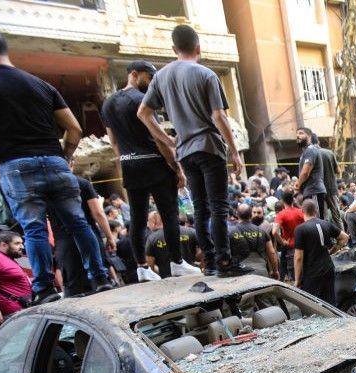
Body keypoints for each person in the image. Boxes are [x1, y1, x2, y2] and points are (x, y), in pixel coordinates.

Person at [0, 24, 111, 303]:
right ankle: (100, 277)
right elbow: (74, 129)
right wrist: (64, 159)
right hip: (55, 161)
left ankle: (45, 288)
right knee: (78, 223)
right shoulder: (41, 84)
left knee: (34, 229)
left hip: (16, 163)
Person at [138, 24, 248, 277]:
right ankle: (224, 261)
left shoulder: (161, 77)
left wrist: (167, 139)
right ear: (198, 47)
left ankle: (209, 262)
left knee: (200, 208)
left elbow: (143, 113)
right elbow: (219, 116)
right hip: (209, 146)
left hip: (185, 151)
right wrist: (234, 150)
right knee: (218, 206)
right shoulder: (206, 74)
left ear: (174, 49)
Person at [101, 59, 200, 283]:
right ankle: (177, 263)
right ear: (134, 74)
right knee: (169, 213)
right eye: (149, 76)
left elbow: (113, 141)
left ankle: (142, 267)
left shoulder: (108, 104)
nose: (152, 81)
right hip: (154, 163)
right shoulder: (142, 99)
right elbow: (157, 137)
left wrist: (126, 160)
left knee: (137, 218)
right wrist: (176, 168)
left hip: (129, 164)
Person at [54, 177, 118, 296]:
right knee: (103, 286)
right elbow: (98, 213)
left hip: (64, 243)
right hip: (90, 237)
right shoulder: (82, 183)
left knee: (75, 290)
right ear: (71, 163)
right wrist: (110, 237)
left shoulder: (43, 186)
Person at [294, 199, 348, 302]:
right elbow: (345, 237)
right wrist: (333, 250)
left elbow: (298, 257)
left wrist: (297, 280)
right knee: (330, 303)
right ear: (316, 211)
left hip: (312, 273)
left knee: (313, 305)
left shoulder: (300, 229)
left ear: (302, 211)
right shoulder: (326, 224)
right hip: (328, 268)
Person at [228, 204, 279, 278]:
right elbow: (272, 252)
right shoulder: (262, 231)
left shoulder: (230, 232)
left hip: (239, 273)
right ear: (250, 214)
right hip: (261, 273)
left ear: (237, 215)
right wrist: (275, 271)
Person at [145, 211, 199, 279]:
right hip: (191, 274)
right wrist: (201, 266)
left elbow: (150, 264)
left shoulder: (152, 238)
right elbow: (203, 251)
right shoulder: (191, 231)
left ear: (155, 221)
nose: (147, 225)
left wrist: (161, 274)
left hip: (167, 278)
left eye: (148, 221)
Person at [293, 127, 327, 219]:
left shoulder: (310, 150)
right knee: (311, 221)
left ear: (309, 136)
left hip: (314, 190)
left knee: (316, 221)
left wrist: (297, 186)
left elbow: (305, 173)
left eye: (301, 133)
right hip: (310, 191)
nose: (298, 136)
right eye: (297, 134)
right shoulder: (306, 152)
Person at [274, 191, 306, 280]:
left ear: (283, 201)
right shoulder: (300, 212)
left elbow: (274, 232)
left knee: (294, 276)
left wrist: (282, 241)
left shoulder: (281, 214)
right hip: (302, 246)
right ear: (293, 200)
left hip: (290, 247)